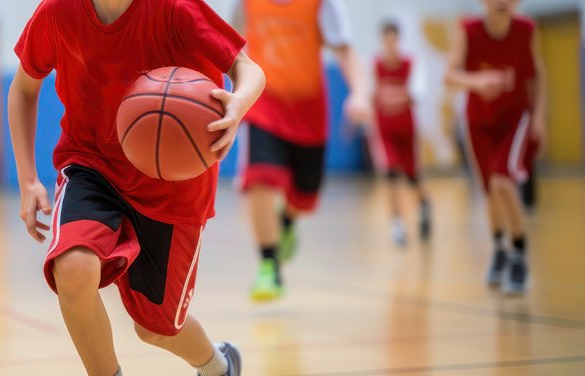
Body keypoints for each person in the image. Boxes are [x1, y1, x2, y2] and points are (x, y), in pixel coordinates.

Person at [8, 0, 265, 375]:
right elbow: (22, 90)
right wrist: (28, 179)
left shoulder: (176, 9)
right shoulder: (57, 12)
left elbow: (248, 68)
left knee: (156, 330)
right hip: (93, 166)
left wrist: (238, 103)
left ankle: (218, 365)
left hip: (174, 186)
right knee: (74, 268)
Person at [231, 0, 371, 302]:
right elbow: (230, 45)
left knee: (304, 195)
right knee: (260, 180)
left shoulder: (323, 4)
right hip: (263, 105)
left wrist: (360, 94)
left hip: (308, 111)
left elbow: (345, 49)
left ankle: (287, 222)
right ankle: (269, 264)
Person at [445, 0, 546, 294]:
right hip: (479, 122)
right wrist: (477, 81)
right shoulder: (468, 29)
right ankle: (499, 249)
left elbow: (537, 77)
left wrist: (539, 116)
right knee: (489, 189)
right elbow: (448, 75)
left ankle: (519, 254)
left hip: (515, 119)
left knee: (504, 181)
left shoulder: (526, 30)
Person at [372, 21, 431, 246]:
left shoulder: (410, 64)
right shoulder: (375, 65)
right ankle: (397, 225)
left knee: (413, 177)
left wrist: (397, 98)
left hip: (406, 130)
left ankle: (424, 204)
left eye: (393, 39)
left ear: (398, 40)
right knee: (391, 175)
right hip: (385, 131)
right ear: (382, 41)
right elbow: (371, 96)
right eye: (386, 40)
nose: (390, 44)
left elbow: (417, 95)